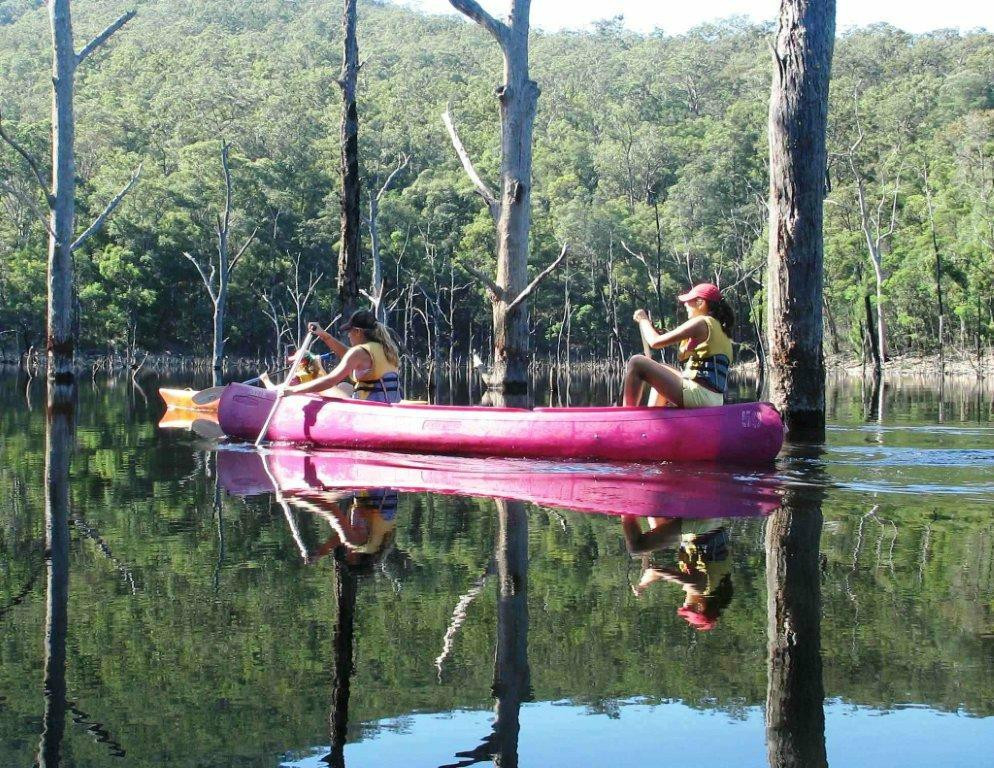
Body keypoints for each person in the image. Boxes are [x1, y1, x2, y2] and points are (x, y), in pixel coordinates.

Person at [622, 283, 735, 408]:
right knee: (662, 368)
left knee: (636, 362)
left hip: (701, 397)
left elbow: (654, 341)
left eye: (688, 301)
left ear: (700, 303)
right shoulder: (722, 330)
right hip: (716, 399)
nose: (685, 305)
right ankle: (653, 418)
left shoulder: (702, 322)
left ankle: (626, 418)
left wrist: (643, 320)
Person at [625, 518, 733, 632]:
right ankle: (624, 506)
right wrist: (656, 573)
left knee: (657, 530)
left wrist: (644, 582)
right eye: (688, 607)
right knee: (636, 546)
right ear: (700, 606)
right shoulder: (702, 588)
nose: (685, 602)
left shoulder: (718, 582)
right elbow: (694, 583)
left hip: (712, 522)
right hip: (699, 527)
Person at [286, 309, 403, 403]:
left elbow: (330, 381)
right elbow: (347, 353)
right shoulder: (387, 348)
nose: (348, 335)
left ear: (358, 331)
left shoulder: (359, 352)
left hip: (370, 409)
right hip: (391, 404)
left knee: (325, 382)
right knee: (344, 386)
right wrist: (324, 335)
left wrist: (293, 390)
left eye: (349, 331)